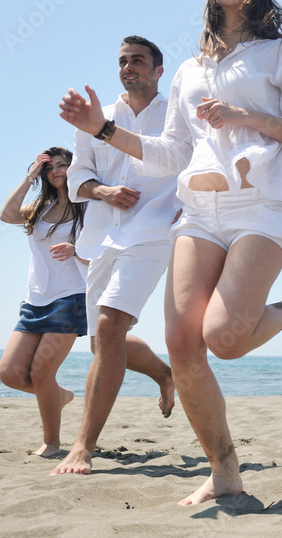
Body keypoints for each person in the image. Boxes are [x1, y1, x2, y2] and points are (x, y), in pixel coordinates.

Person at [58, 0, 282, 505]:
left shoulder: (279, 55)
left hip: (263, 205)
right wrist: (104, 129)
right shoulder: (188, 70)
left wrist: (243, 117)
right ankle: (224, 469)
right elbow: (170, 153)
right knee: (182, 343)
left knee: (224, 339)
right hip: (200, 212)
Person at [52, 36, 181, 478]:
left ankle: (82, 448)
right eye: (123, 61)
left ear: (158, 70)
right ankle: (165, 374)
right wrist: (102, 190)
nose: (128, 67)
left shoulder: (177, 114)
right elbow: (76, 180)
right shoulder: (97, 116)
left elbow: (197, 162)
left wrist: (192, 206)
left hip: (154, 230)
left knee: (109, 326)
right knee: (102, 341)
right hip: (99, 239)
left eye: (138, 61)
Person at [0, 148, 88, 457]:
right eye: (50, 168)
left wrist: (76, 249)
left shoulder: (87, 206)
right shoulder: (39, 207)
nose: (57, 171)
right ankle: (59, 396)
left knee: (40, 373)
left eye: (63, 165)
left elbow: (104, 247)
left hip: (70, 297)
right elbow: (7, 214)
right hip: (35, 300)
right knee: (10, 373)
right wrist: (29, 176)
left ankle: (51, 443)